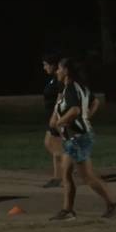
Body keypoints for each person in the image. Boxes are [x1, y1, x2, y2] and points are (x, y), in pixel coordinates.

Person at [49, 58, 116, 221]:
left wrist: (61, 122)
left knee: (88, 176)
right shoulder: (78, 87)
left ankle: (114, 204)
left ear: (66, 71)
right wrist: (87, 117)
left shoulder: (70, 88)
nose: (57, 71)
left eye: (59, 69)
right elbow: (94, 101)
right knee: (66, 174)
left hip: (78, 138)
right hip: (74, 138)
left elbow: (75, 110)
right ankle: (67, 210)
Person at [42, 54, 65, 188]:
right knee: (50, 144)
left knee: (54, 146)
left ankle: (63, 172)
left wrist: (55, 116)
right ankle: (58, 176)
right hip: (51, 116)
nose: (44, 68)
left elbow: (60, 98)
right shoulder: (53, 79)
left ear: (53, 65)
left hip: (56, 117)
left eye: (45, 65)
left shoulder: (59, 79)